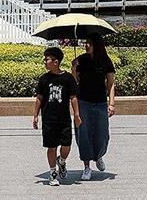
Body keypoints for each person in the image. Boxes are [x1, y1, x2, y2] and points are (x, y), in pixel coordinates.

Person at [32, 47, 82, 186]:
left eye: (47, 59)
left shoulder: (68, 78)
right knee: (51, 146)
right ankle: (53, 172)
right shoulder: (44, 79)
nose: (44, 62)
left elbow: (73, 97)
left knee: (66, 145)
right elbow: (39, 98)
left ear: (56, 61)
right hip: (48, 119)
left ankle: (62, 160)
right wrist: (35, 115)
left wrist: (76, 115)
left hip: (64, 119)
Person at [71, 35, 116, 180]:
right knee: (83, 133)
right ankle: (86, 166)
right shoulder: (82, 60)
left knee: (102, 133)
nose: (87, 46)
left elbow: (111, 84)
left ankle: (99, 155)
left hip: (100, 102)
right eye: (86, 43)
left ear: (97, 45)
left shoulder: (105, 61)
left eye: (90, 43)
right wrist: (74, 67)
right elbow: (74, 81)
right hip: (83, 101)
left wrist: (112, 103)